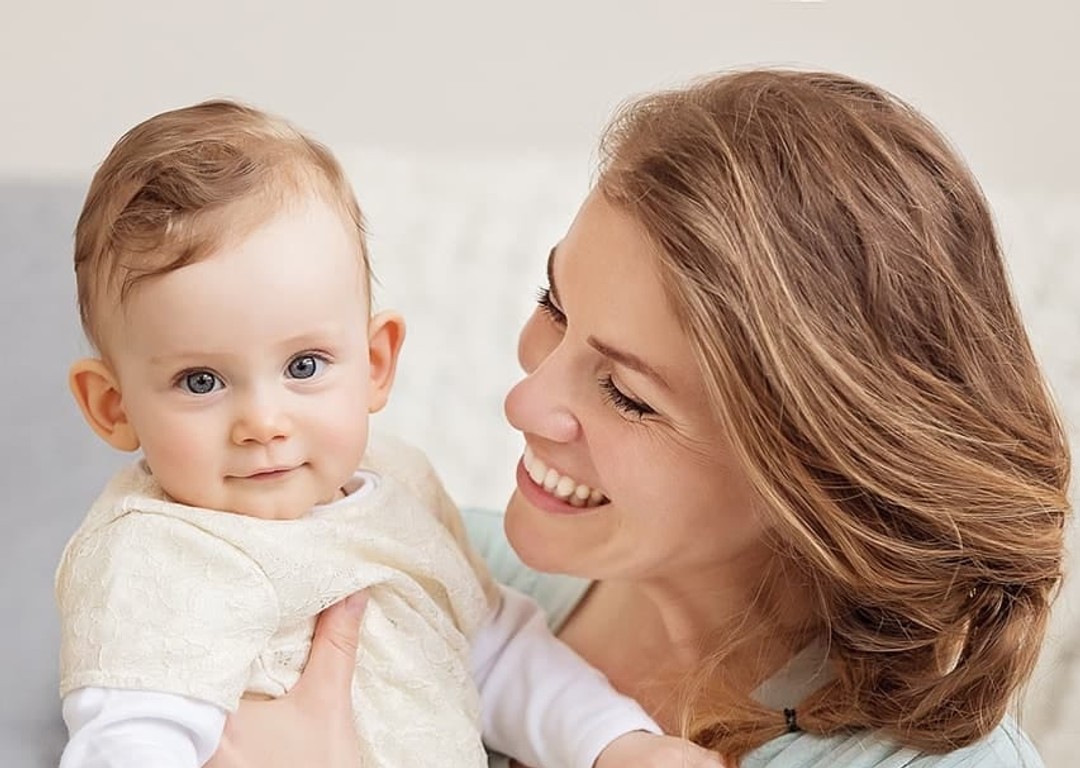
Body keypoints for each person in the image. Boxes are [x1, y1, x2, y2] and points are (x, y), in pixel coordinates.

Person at [207, 69, 1072, 768]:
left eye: (626, 393)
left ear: (811, 465)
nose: (524, 402)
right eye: (555, 302)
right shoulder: (429, 570)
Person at [55, 99, 724, 768]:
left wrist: (615, 743)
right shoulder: (153, 559)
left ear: (375, 364)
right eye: (201, 381)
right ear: (113, 407)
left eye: (303, 366)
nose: (263, 423)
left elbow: (494, 654)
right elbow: (126, 747)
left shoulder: (403, 489)